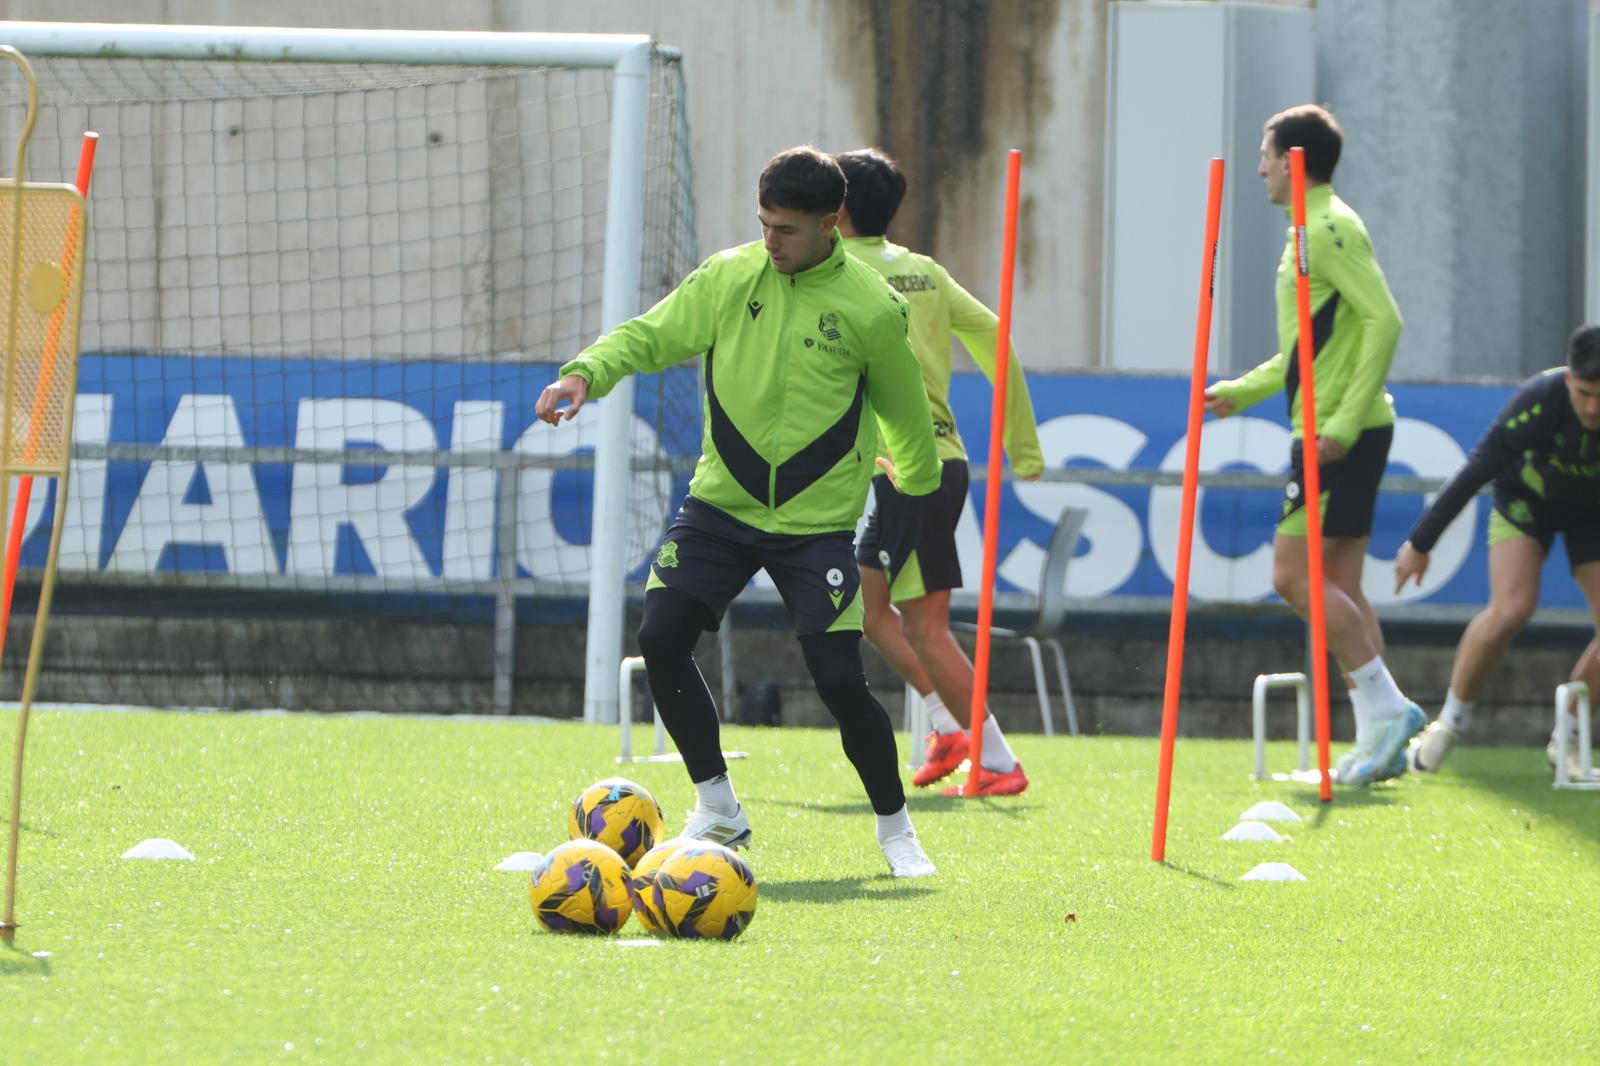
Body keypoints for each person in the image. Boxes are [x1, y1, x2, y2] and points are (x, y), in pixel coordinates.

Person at [535, 146, 944, 877]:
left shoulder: (874, 309)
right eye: (763, 225)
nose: (771, 241)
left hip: (815, 525)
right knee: (661, 634)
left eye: (785, 229)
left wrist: (915, 489)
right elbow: (650, 334)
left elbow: (906, 415)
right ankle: (718, 805)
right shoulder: (728, 278)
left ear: (829, 224)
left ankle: (896, 832)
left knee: (840, 681)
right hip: (719, 506)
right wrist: (584, 373)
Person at [1203, 104, 1423, 786]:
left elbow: (1384, 323)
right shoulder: (1308, 229)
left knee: (1291, 578)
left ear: (1294, 159)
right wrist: (1242, 390)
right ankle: (1377, 743)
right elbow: (1307, 350)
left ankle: (1388, 710)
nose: (1259, 167)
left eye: (1266, 153)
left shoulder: (1327, 227)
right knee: (1341, 587)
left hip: (1337, 434)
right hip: (1334, 426)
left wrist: (1343, 425)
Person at [832, 147, 1045, 796]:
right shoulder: (924, 272)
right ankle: (954, 729)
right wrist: (1022, 446)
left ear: (833, 208)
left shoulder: (833, 271)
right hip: (941, 459)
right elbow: (995, 338)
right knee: (884, 612)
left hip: (900, 467)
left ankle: (993, 756)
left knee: (902, 620)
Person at [1395, 325, 1600, 781]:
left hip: (1594, 514)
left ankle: (1567, 738)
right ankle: (1449, 723)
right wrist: (1420, 544)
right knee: (1511, 609)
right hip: (1527, 503)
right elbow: (1476, 469)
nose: (1592, 408)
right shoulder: (1539, 399)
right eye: (1584, 393)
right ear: (1569, 380)